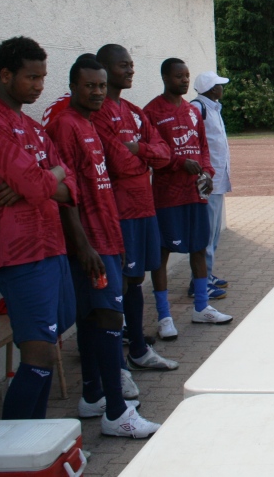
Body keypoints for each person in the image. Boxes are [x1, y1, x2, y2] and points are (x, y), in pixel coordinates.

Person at [0, 37, 78, 419]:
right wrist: (44, 179)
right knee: (38, 352)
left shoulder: (32, 126)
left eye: (42, 77)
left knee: (50, 343)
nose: (39, 86)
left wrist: (47, 176)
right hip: (18, 252)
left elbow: (71, 184)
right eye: (31, 77)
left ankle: (36, 438)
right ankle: (14, 440)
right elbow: (35, 183)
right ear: (6, 75)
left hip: (51, 244)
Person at [46, 57, 160, 437]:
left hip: (108, 238)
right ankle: (116, 413)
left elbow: (101, 184)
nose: (97, 92)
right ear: (72, 87)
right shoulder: (65, 126)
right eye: (89, 86)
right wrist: (83, 245)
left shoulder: (90, 123)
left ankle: (93, 395)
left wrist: (115, 241)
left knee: (96, 317)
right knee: (110, 317)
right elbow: (65, 194)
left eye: (100, 85)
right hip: (90, 243)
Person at [92, 45, 180, 366]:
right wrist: (145, 157)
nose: (130, 70)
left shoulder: (133, 111)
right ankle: (121, 355)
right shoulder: (99, 113)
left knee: (138, 278)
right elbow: (117, 163)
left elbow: (165, 154)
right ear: (104, 68)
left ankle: (138, 348)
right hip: (121, 210)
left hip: (145, 207)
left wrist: (139, 150)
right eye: (122, 65)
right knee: (123, 280)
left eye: (131, 64)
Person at [144, 58, 233, 327]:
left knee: (198, 248)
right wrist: (179, 162)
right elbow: (151, 154)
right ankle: (164, 315)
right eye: (178, 76)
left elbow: (204, 147)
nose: (184, 80)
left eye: (186, 76)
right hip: (168, 196)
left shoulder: (192, 111)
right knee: (162, 253)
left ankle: (201, 307)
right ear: (164, 77)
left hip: (195, 194)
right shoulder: (151, 112)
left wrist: (208, 172)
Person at [189, 70, 232, 297]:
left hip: (218, 180)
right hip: (208, 181)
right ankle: (199, 283)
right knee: (206, 234)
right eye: (219, 85)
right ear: (212, 89)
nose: (222, 88)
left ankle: (207, 274)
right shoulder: (198, 108)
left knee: (214, 233)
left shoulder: (212, 108)